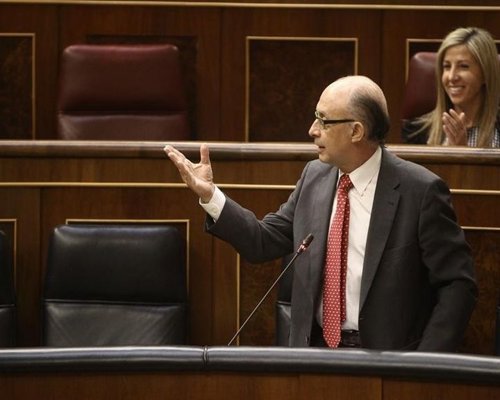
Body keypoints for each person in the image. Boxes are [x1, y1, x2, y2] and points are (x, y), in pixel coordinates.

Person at [165, 75, 477, 352]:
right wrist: (210, 195)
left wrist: (425, 363)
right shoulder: (314, 177)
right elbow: (263, 241)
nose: (312, 130)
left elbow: (458, 285)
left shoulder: (420, 191)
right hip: (313, 355)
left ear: (356, 131)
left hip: (387, 362)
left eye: (324, 121)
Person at [403, 27, 500, 147]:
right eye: (447, 66)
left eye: (463, 66)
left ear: (486, 74)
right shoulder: (415, 132)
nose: (452, 77)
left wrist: (462, 152)